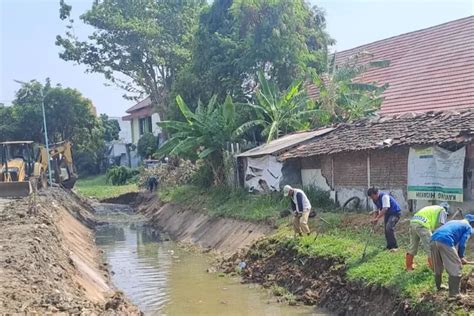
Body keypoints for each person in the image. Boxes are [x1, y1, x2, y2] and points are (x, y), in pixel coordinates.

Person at [430, 214, 474, 298]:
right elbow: (462, 244)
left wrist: (457, 255)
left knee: (438, 265)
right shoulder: (467, 227)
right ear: (472, 223)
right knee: (456, 266)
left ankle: (439, 286)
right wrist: (461, 257)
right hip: (445, 240)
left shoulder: (454, 222)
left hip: (433, 239)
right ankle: (454, 294)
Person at [406, 202, 449, 271]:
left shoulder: (432, 208)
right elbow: (441, 225)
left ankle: (409, 267)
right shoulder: (442, 210)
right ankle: (435, 269)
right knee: (431, 248)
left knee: (412, 247)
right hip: (422, 225)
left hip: (413, 222)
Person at [367, 187, 402, 252]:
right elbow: (376, 211)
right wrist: (374, 219)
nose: (372, 198)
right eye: (370, 197)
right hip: (388, 214)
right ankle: (389, 246)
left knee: (389, 227)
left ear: (376, 193)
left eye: (372, 196)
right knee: (386, 229)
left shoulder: (384, 196)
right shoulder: (374, 200)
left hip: (395, 212)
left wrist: (377, 218)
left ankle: (395, 247)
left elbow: (385, 209)